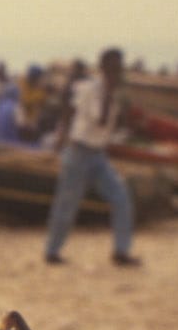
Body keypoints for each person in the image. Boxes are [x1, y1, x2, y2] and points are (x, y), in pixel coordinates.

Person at [44, 47, 139, 268]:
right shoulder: (91, 90)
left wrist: (123, 103)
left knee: (121, 198)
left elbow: (120, 123)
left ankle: (121, 251)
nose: (119, 72)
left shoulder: (113, 93)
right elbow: (100, 119)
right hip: (79, 152)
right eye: (115, 67)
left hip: (98, 154)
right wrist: (63, 136)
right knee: (67, 205)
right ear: (105, 68)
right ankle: (52, 251)